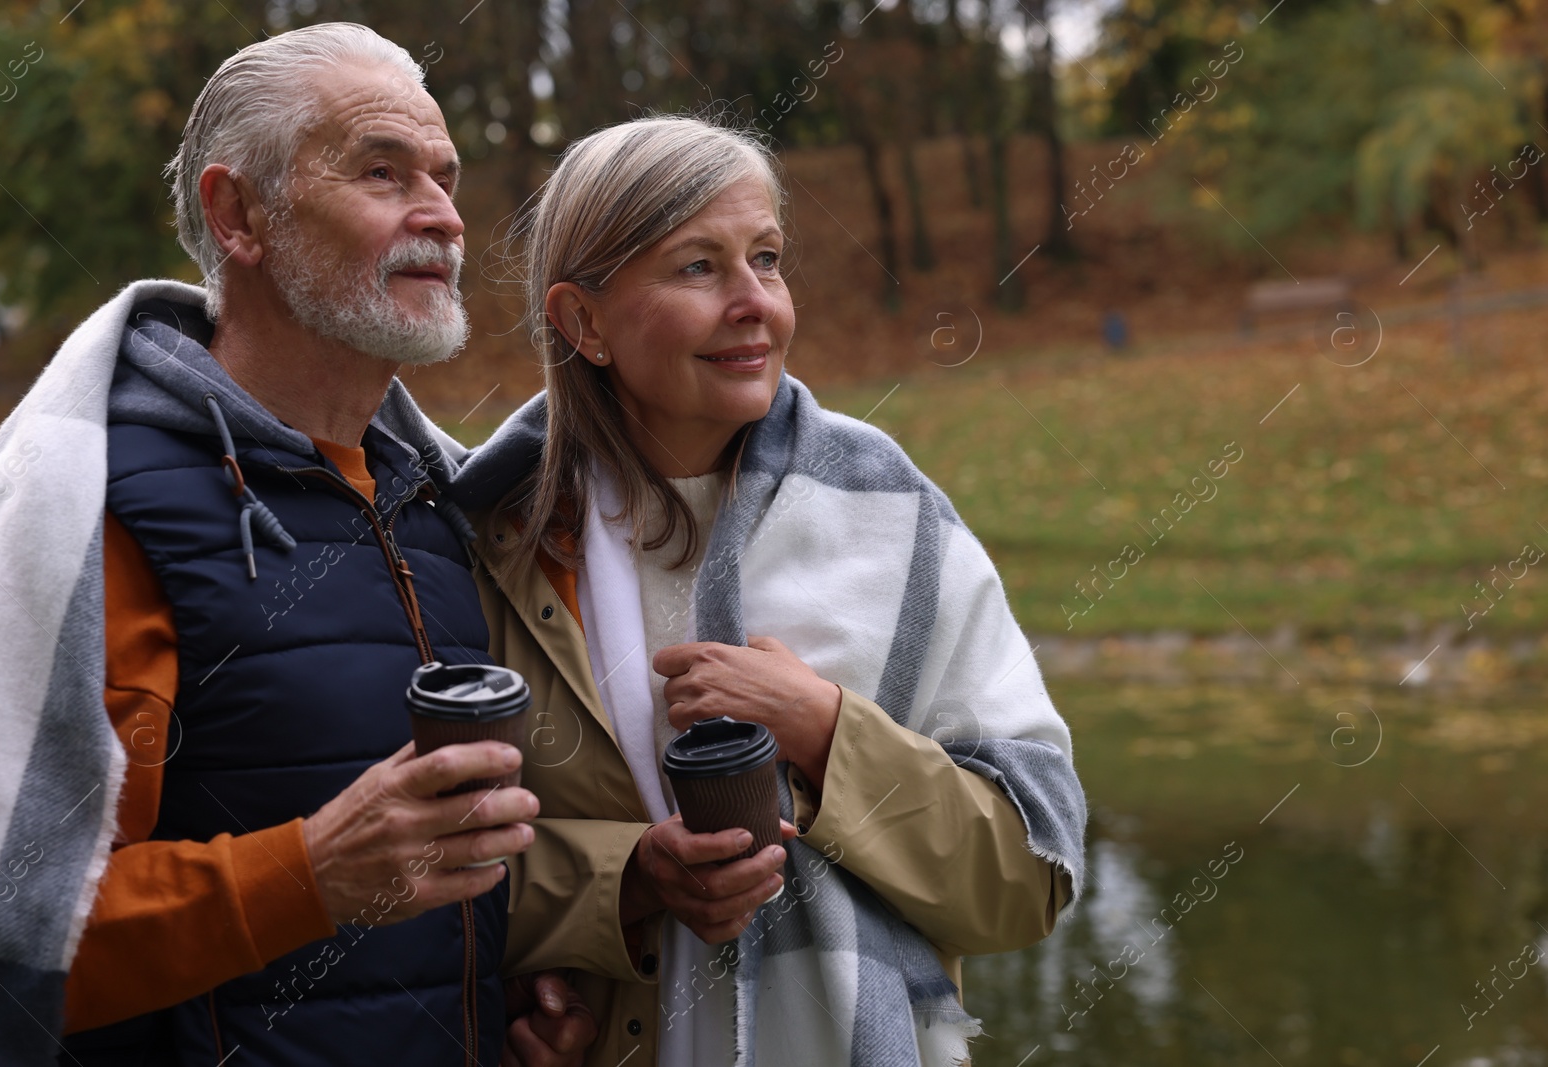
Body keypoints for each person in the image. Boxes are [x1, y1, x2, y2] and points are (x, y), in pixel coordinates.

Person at [0, 24, 593, 1067]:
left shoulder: (445, 502)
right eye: (382, 171)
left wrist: (515, 996)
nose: (441, 214)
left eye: (445, 174)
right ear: (237, 213)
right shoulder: (91, 513)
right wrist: (308, 873)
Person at [454, 116, 1089, 1067]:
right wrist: (626, 884)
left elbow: (1027, 880)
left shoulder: (891, 515)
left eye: (768, 258)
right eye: (698, 267)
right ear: (583, 321)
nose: (755, 302)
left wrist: (829, 731)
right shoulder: (486, 539)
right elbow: (415, 875)